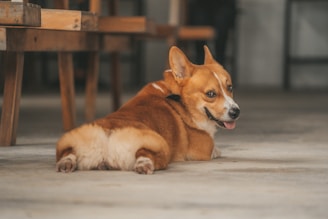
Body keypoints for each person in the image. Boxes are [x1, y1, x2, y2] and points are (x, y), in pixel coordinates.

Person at [188, 0, 237, 66]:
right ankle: (200, 64)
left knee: (222, 22)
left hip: (224, 5)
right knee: (198, 20)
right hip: (200, 4)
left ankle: (219, 64)